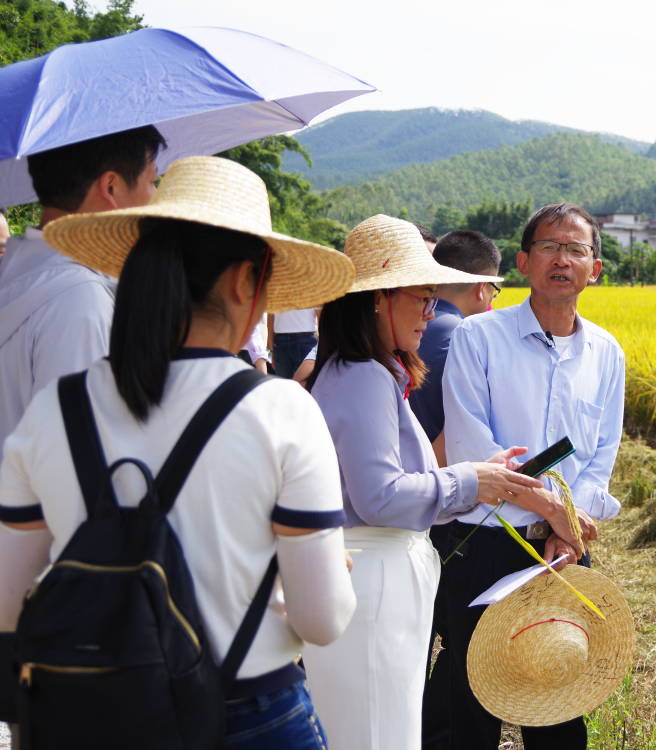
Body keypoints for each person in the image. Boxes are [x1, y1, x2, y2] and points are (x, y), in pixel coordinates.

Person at [0, 156, 358, 748]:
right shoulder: (281, 409)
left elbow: (9, 606)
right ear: (246, 280)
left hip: (91, 715)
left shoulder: (56, 410)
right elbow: (323, 621)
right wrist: (328, 570)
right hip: (249, 711)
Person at [301, 214, 581, 750]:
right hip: (376, 582)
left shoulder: (363, 371)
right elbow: (381, 498)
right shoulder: (363, 378)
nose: (430, 314)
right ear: (380, 298)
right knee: (380, 731)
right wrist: (469, 482)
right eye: (422, 299)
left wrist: (475, 476)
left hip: (376, 576)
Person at [423, 202, 625, 750]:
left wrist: (568, 525)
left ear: (595, 268)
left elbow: (601, 451)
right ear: (523, 262)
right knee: (472, 700)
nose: (562, 259)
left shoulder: (606, 353)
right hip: (483, 545)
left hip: (561, 552)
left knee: (560, 692)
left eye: (576, 249)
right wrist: (555, 509)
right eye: (549, 247)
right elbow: (475, 449)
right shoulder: (479, 338)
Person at [0, 126, 165, 458]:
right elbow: (80, 462)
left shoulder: (18, 269)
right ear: (111, 186)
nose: (155, 198)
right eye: (152, 182)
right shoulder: (78, 301)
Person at [408, 230, 502, 463]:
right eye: (494, 290)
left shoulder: (404, 327)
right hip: (444, 482)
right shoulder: (466, 340)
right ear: (482, 288)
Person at [271, 307, 318, 378]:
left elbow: (320, 315)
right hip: (282, 341)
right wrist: (271, 348)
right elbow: (271, 316)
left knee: (306, 385)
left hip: (304, 340)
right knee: (285, 385)